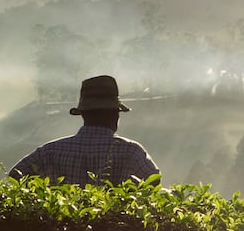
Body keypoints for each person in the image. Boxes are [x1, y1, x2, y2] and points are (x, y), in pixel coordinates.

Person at [9, 75, 159, 186]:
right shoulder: (131, 151)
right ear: (114, 114)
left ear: (83, 114)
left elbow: (15, 176)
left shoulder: (50, 151)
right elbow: (153, 182)